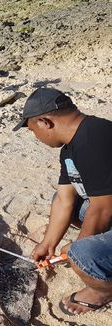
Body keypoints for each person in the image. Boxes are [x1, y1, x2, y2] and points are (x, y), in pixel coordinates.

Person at [13, 88, 112, 315]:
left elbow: (104, 208)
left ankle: (105, 291)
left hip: (108, 207)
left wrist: (78, 246)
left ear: (44, 122)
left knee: (83, 255)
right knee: (70, 202)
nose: (35, 137)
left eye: (31, 130)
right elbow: (64, 199)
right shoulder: (70, 147)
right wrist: (48, 244)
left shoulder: (95, 138)